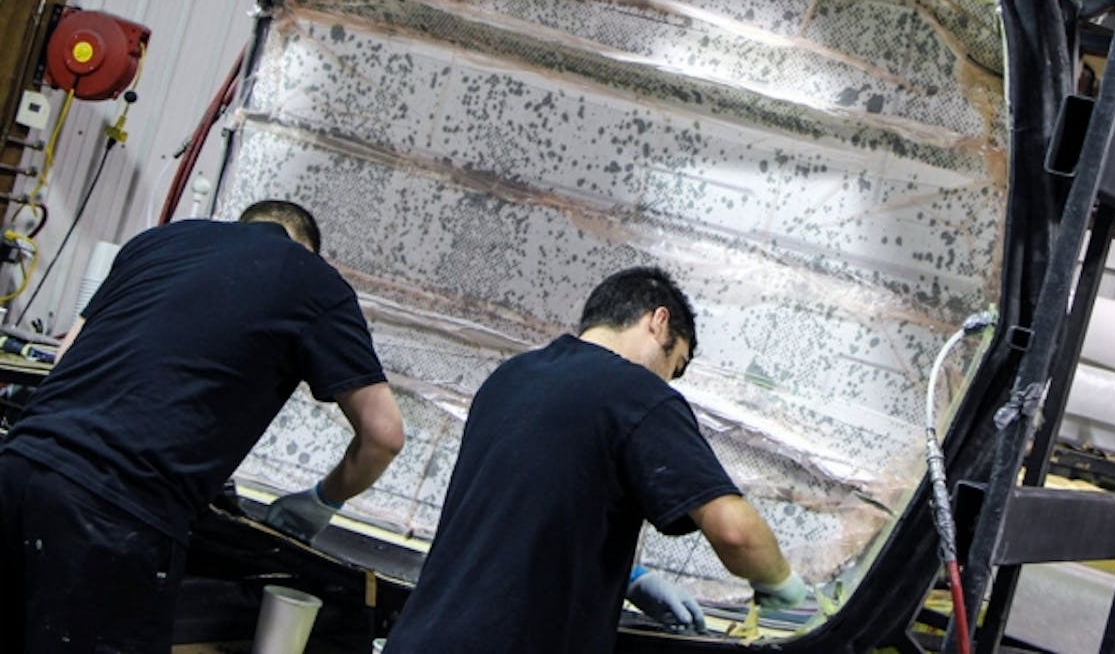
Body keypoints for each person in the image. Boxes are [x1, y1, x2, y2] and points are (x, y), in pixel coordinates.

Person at [0, 200, 405, 654]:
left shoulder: (157, 243)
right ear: (307, 249)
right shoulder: (313, 280)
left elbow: (63, 356)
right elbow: (383, 435)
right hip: (116, 512)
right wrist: (320, 501)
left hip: (19, 465)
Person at [383, 266, 806, 654]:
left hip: (421, 635)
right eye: (674, 365)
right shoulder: (638, 393)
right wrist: (781, 585)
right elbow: (735, 533)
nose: (667, 380)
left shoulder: (512, 377)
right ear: (658, 322)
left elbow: (521, 515)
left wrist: (632, 577)